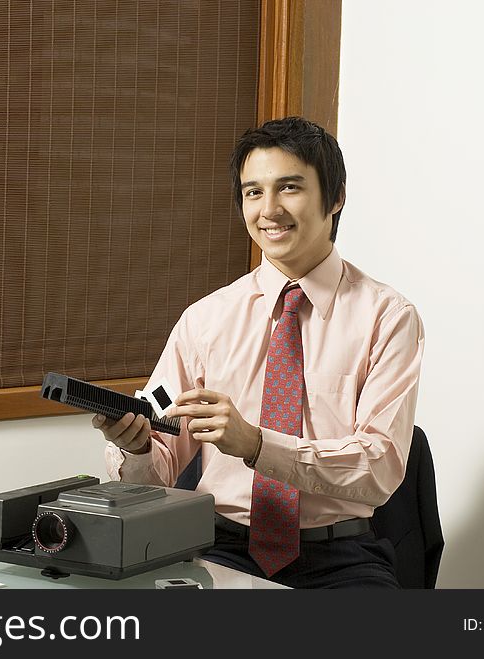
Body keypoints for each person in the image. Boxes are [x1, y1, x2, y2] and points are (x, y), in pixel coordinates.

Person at [93, 116, 424, 588]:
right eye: (253, 192)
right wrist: (140, 444)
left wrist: (257, 445)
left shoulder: (388, 318)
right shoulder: (205, 320)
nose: (269, 210)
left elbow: (379, 466)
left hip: (340, 557)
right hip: (215, 546)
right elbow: (156, 475)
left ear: (336, 198)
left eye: (289, 187)